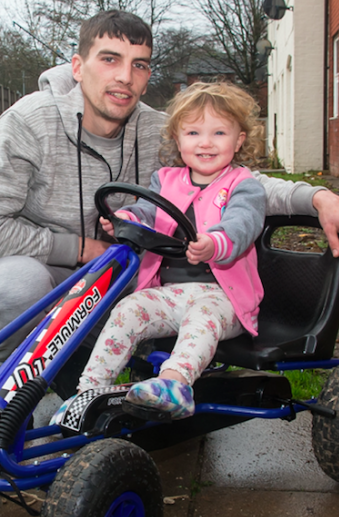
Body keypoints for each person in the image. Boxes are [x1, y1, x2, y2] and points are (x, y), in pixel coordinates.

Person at [0, 9, 339, 396]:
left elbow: (230, 181)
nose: (125, 77)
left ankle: (102, 383)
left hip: (110, 277)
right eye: (110, 59)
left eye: (140, 64)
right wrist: (82, 248)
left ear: (148, 76)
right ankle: (2, 379)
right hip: (33, 269)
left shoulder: (155, 129)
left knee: (133, 307)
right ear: (78, 67)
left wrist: (318, 196)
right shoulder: (29, 121)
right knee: (18, 285)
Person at [72, 81, 265, 420]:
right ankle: (89, 390)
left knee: (201, 318)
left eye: (219, 133)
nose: (205, 143)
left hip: (224, 299)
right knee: (129, 307)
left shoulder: (243, 185)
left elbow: (242, 224)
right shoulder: (167, 179)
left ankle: (174, 384)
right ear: (178, 140)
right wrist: (126, 219)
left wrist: (214, 243)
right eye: (193, 133)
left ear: (239, 140)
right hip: (171, 293)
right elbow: (149, 212)